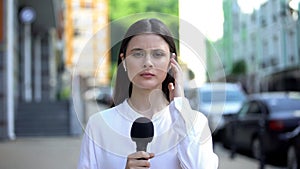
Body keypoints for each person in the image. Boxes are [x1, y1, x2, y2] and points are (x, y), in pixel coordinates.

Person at [78, 18, 219, 169]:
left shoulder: (195, 123)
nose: (148, 63)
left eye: (158, 54)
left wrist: (180, 107)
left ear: (171, 61)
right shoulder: (99, 125)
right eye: (138, 54)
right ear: (124, 60)